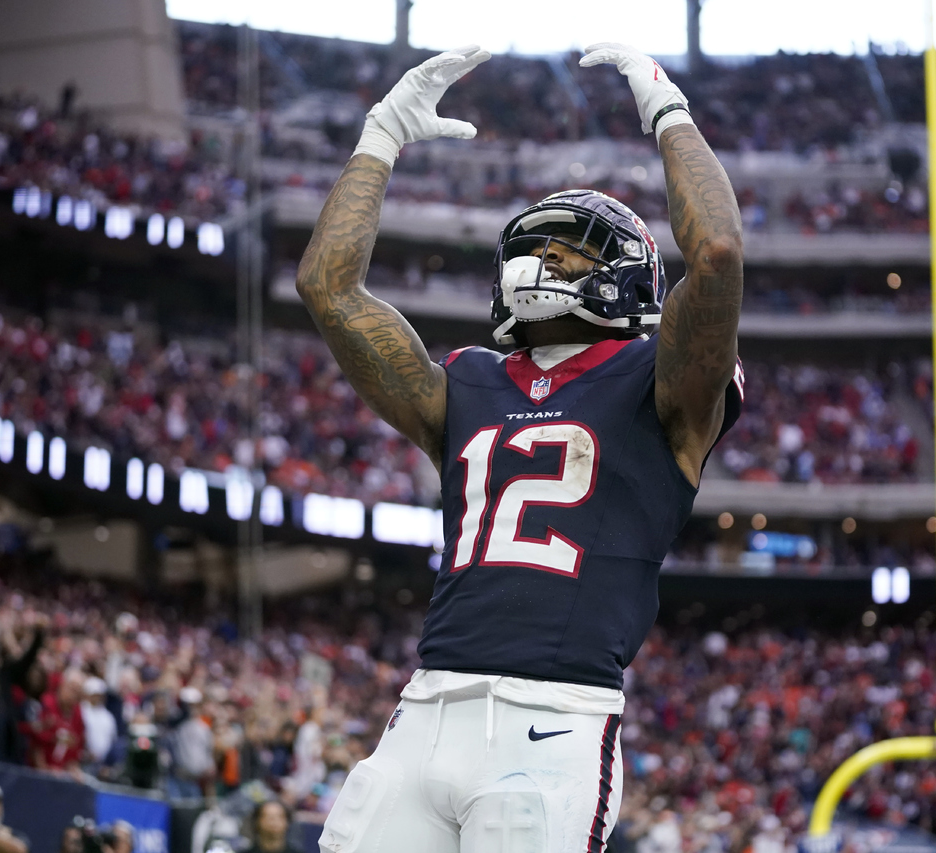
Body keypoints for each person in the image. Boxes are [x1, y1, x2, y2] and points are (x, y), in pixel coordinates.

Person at [297, 43, 743, 853]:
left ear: (627, 275)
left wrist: (667, 111)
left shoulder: (660, 383)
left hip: (555, 718)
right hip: (425, 708)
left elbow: (715, 255)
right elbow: (328, 288)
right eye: (537, 247)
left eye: (570, 249)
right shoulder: (468, 380)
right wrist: (380, 136)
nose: (545, 260)